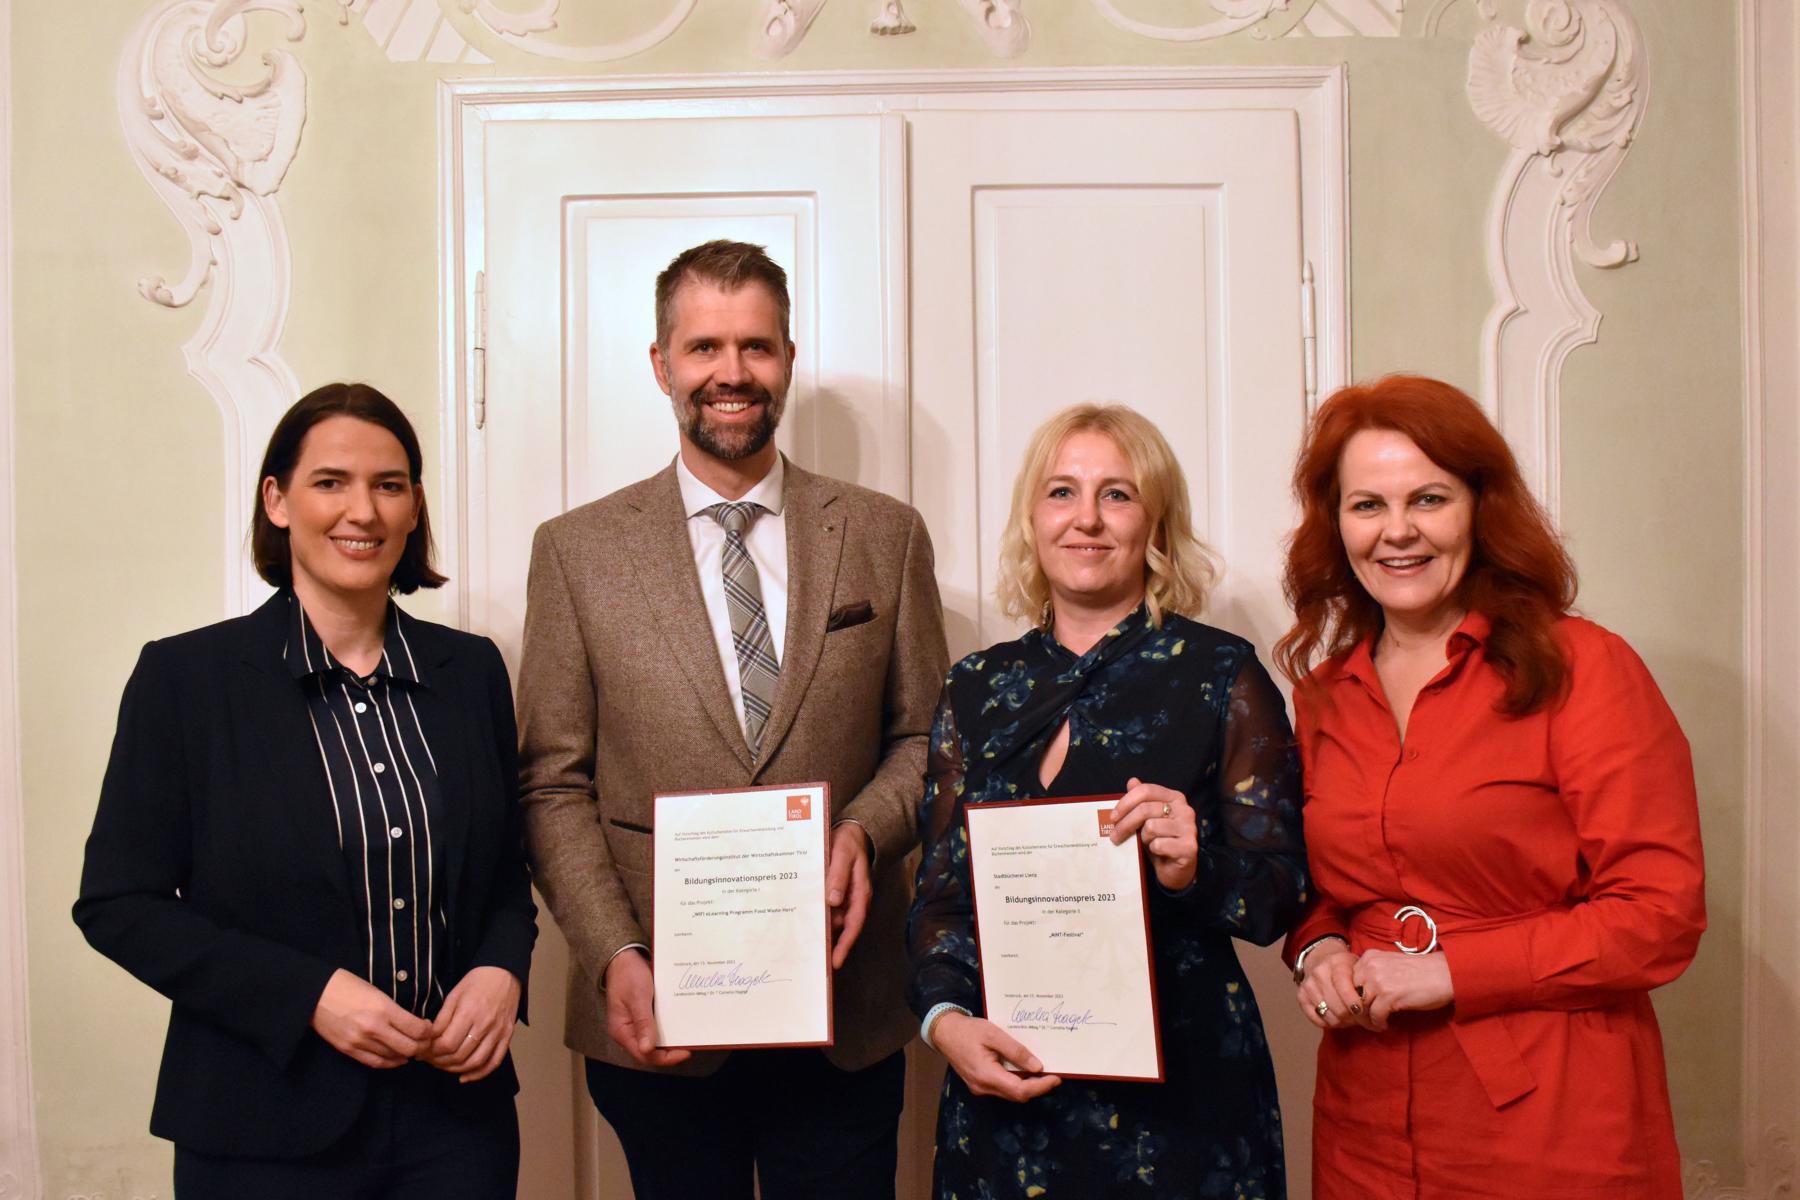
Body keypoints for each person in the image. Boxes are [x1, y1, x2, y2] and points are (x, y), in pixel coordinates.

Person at [517, 239, 949, 1199]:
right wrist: (613, 952)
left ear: (788, 359)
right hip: (661, 1009)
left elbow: (927, 738)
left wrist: (863, 828)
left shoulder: (883, 534)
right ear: (662, 364)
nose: (732, 372)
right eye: (705, 346)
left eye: (755, 346)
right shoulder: (577, 553)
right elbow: (553, 781)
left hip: (844, 1005)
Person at [73, 383, 537, 1198]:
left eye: (389, 485)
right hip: (260, 1126)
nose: (363, 511)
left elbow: (504, 870)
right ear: (277, 499)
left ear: (414, 506)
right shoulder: (186, 680)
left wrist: (503, 970)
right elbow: (119, 903)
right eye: (331, 482)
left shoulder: (472, 673)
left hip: (456, 1124)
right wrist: (309, 996)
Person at [1275, 375, 1706, 1199]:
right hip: (1366, 1120)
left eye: (1428, 499)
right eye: (1367, 506)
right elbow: (1316, 878)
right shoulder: (1325, 692)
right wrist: (1318, 945)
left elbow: (1661, 913)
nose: (1397, 533)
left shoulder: (1584, 666)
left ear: (1480, 506)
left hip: (1551, 1118)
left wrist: (1452, 968)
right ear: (1336, 525)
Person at [907, 403, 1308, 1199]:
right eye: (1062, 492)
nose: (1087, 518)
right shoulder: (976, 686)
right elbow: (942, 897)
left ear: (1156, 522)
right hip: (1006, 1092)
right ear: (1033, 516)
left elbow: (1279, 895)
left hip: (1183, 1100)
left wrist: (1192, 869)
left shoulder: (1220, 673)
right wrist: (945, 1022)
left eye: (1117, 494)